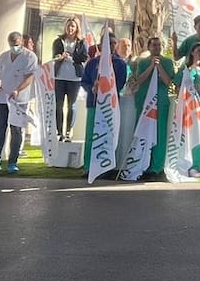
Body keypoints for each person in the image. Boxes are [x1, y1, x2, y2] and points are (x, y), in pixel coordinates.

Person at [0, 31, 38, 174]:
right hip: (2, 98)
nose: (14, 47)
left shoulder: (29, 57)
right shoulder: (4, 56)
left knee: (16, 131)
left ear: (21, 42)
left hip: (19, 101)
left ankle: (12, 161)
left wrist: (17, 90)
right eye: (11, 44)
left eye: (16, 44)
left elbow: (29, 77)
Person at [80, 31, 129, 176]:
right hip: (94, 104)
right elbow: (84, 81)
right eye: (109, 43)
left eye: (114, 43)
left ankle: (106, 166)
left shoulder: (120, 64)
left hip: (110, 106)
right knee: (91, 136)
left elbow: (120, 84)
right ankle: (89, 166)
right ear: (101, 45)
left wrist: (105, 89)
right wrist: (92, 88)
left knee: (108, 135)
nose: (112, 46)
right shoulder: (92, 63)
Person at [128, 35, 176, 178]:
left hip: (160, 102)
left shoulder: (167, 62)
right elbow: (139, 80)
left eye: (159, 45)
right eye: (154, 45)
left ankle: (156, 167)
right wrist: (151, 66)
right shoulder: (142, 62)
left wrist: (159, 66)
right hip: (145, 102)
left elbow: (168, 82)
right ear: (149, 47)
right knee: (143, 133)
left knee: (159, 134)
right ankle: (141, 164)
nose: (156, 47)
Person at [175, 42, 200, 177]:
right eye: (198, 51)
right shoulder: (185, 69)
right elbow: (177, 87)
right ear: (192, 52)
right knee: (187, 135)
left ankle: (195, 166)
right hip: (188, 106)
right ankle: (184, 164)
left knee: (199, 134)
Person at [52, 17, 87, 142]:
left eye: (73, 26)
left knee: (71, 105)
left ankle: (68, 132)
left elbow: (84, 57)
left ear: (76, 28)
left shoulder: (81, 42)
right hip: (59, 77)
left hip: (74, 78)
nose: (70, 28)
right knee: (59, 104)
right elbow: (54, 55)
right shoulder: (58, 41)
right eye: (68, 26)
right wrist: (59, 56)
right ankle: (59, 131)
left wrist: (72, 57)